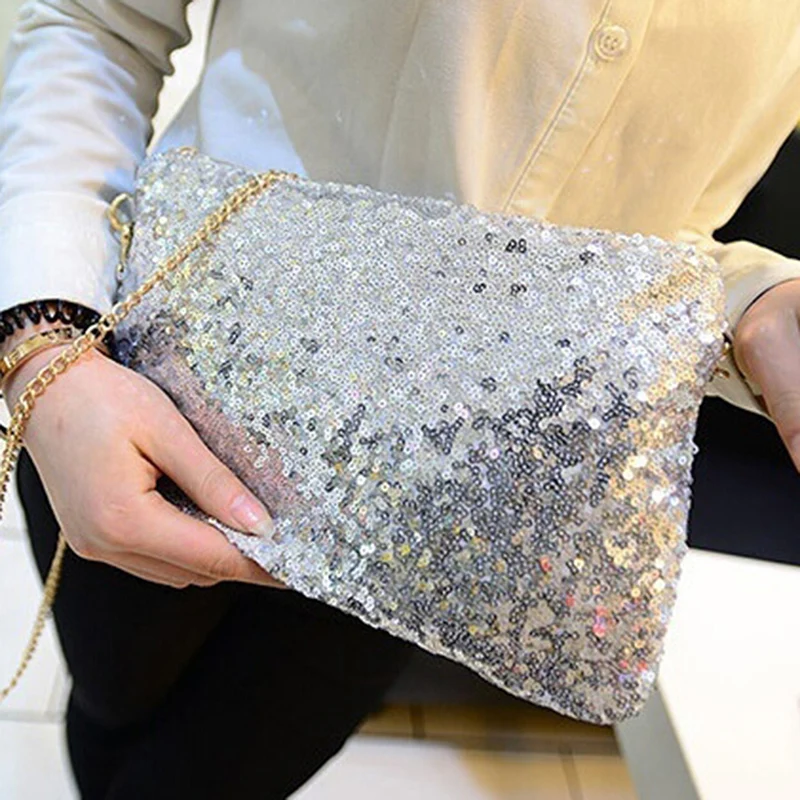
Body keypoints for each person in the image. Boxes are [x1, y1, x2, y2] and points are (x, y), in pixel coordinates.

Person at [1, 2, 799, 797]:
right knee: (112, 694)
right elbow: (94, 21)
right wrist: (41, 345)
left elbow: (664, 225)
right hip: (161, 380)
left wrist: (751, 299)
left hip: (443, 494)